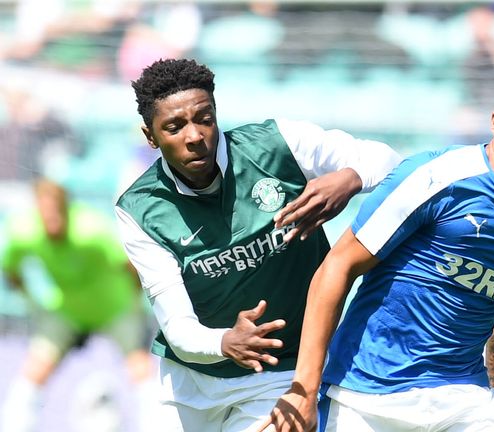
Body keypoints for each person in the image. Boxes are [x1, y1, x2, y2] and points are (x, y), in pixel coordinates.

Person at [262, 66, 494, 432]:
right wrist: (304, 389)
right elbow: (339, 266)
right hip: (364, 396)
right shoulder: (436, 178)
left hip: (462, 400)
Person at [114, 58, 402, 431]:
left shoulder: (278, 146)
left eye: (204, 118)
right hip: (190, 384)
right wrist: (226, 342)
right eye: (174, 126)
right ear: (150, 137)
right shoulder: (140, 210)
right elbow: (179, 329)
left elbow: (388, 160)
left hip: (280, 371)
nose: (194, 135)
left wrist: (350, 178)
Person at [1, 178, 154, 432]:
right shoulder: (23, 232)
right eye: (44, 214)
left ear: (66, 209)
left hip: (114, 309)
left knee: (140, 368)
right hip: (67, 312)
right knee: (34, 372)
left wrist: (134, 304)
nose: (51, 222)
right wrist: (35, 302)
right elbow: (11, 269)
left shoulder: (92, 230)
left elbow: (130, 267)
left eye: (56, 213)